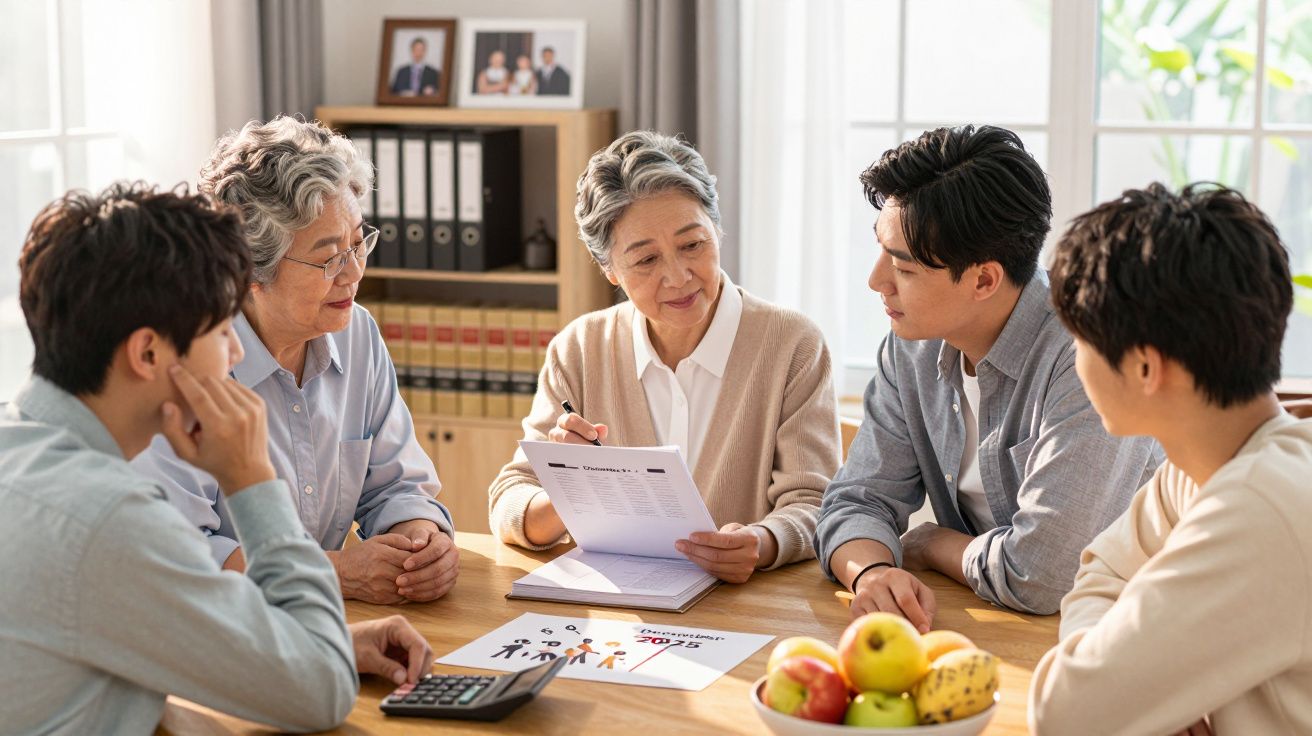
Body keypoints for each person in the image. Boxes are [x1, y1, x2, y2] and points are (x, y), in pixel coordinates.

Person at [0, 183, 435, 734]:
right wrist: (252, 481)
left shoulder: (21, 452)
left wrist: (312, 647)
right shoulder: (110, 519)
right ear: (149, 353)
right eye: (221, 329)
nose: (234, 352)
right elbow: (321, 694)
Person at [814, 125, 1162, 628]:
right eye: (880, 250)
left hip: (1117, 634)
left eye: (904, 269)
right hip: (991, 627)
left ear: (983, 279)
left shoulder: (1091, 355)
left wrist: (934, 543)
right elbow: (856, 500)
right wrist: (871, 572)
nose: (876, 281)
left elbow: (1042, 576)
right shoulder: (911, 347)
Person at [488, 130, 842, 583]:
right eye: (646, 260)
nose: (678, 277)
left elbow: (817, 503)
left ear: (717, 230)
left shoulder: (793, 344)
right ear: (609, 269)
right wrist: (572, 489)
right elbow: (510, 499)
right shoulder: (578, 349)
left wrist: (762, 543)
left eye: (693, 245)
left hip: (746, 610)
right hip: (620, 619)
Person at [132, 117, 458, 605]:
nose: (352, 273)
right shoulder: (186, 368)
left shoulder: (357, 335)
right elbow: (178, 555)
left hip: (328, 627)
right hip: (224, 636)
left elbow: (396, 487)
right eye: (328, 258)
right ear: (250, 271)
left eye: (357, 243)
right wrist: (339, 572)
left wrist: (422, 546)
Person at [1029, 183, 1312, 735]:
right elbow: (1101, 571)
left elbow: (1065, 714)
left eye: (1079, 339)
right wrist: (1149, 696)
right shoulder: (1204, 466)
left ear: (1143, 368)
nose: (1074, 358)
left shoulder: (1259, 508)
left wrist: (1125, 690)